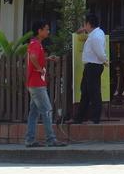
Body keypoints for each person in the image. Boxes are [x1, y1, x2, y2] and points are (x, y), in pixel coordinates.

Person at [25, 20, 66, 148]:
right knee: (47, 110)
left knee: (34, 113)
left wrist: (47, 59)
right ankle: (51, 139)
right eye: (46, 29)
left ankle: (30, 140)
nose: (48, 31)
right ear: (40, 30)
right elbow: (32, 57)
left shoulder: (35, 44)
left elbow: (33, 57)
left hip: (33, 83)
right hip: (37, 83)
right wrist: (39, 68)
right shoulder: (36, 44)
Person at [75, 13, 109, 124]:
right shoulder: (94, 34)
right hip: (90, 66)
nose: (84, 26)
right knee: (85, 91)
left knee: (93, 92)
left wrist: (104, 60)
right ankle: (80, 117)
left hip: (94, 66)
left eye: (85, 24)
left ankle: (95, 118)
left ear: (89, 24)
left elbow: (99, 51)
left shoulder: (96, 36)